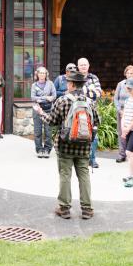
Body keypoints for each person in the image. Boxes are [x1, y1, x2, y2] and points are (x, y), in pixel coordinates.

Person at [34, 71, 96, 219]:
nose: (67, 84)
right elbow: (96, 123)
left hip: (65, 145)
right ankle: (87, 209)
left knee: (65, 176)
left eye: (68, 82)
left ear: (73, 84)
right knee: (84, 176)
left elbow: (52, 121)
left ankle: (64, 208)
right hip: (84, 146)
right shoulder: (90, 102)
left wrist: (41, 112)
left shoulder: (63, 100)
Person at [77, 58, 102, 165]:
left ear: (88, 65)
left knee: (94, 135)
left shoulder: (93, 78)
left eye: (85, 64)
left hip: (92, 111)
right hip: (78, 110)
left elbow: (98, 94)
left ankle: (92, 159)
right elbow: (75, 93)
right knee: (79, 134)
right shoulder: (75, 78)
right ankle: (81, 158)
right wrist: (90, 91)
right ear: (78, 66)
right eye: (81, 65)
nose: (83, 66)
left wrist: (85, 91)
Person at [113, 65, 133, 163]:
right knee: (121, 133)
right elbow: (115, 98)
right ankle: (122, 154)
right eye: (128, 73)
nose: (129, 75)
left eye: (131, 73)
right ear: (125, 74)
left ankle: (130, 153)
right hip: (121, 112)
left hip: (132, 113)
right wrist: (119, 110)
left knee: (131, 132)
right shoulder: (120, 84)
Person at [30, 67, 56, 157]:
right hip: (37, 110)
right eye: (40, 73)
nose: (42, 74)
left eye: (44, 73)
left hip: (48, 110)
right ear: (37, 74)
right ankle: (39, 149)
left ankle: (47, 149)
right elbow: (33, 98)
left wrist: (40, 98)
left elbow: (54, 95)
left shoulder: (50, 83)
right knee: (37, 131)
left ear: (46, 74)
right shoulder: (34, 85)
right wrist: (45, 98)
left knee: (48, 131)